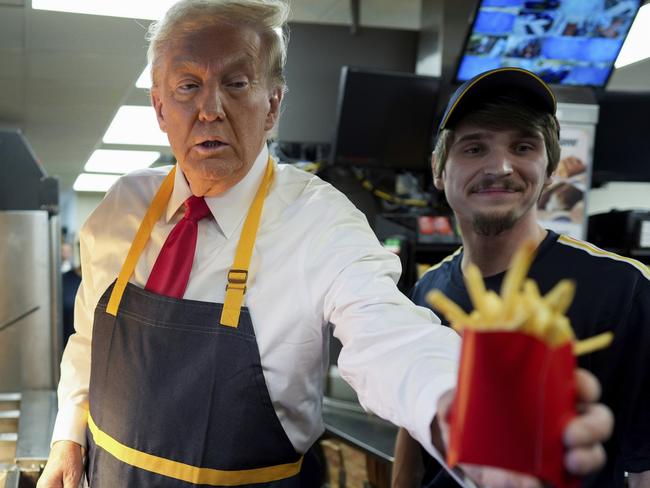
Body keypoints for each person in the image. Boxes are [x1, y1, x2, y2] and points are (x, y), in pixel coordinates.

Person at [37, 3, 611, 487]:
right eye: (188, 85)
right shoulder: (123, 206)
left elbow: (391, 335)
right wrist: (68, 434)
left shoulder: (321, 223)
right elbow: (90, 334)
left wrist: (466, 405)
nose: (210, 107)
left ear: (273, 104)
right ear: (160, 108)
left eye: (236, 83)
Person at [393, 67, 650, 488]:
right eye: (474, 149)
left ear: (549, 170)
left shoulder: (626, 290)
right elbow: (415, 442)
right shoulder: (428, 290)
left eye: (523, 146)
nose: (502, 167)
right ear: (439, 170)